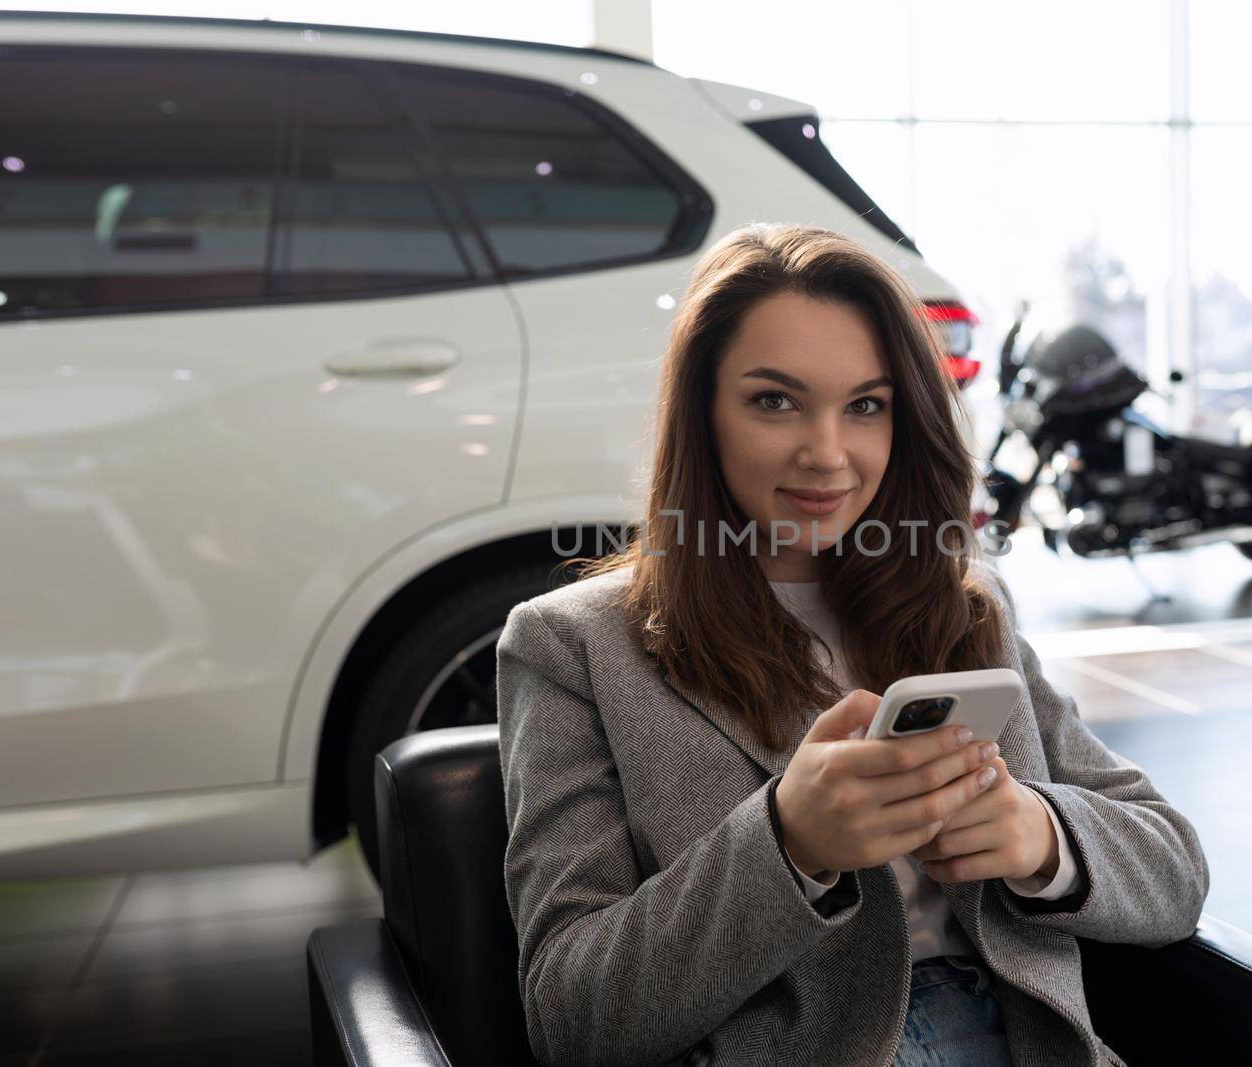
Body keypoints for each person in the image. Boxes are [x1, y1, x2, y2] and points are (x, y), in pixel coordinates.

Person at [496, 223, 1209, 1067]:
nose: (828, 454)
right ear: (703, 415)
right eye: (774, 400)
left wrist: (1039, 834)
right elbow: (574, 1018)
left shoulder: (966, 611)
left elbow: (1174, 872)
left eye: (865, 405)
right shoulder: (573, 646)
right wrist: (787, 845)